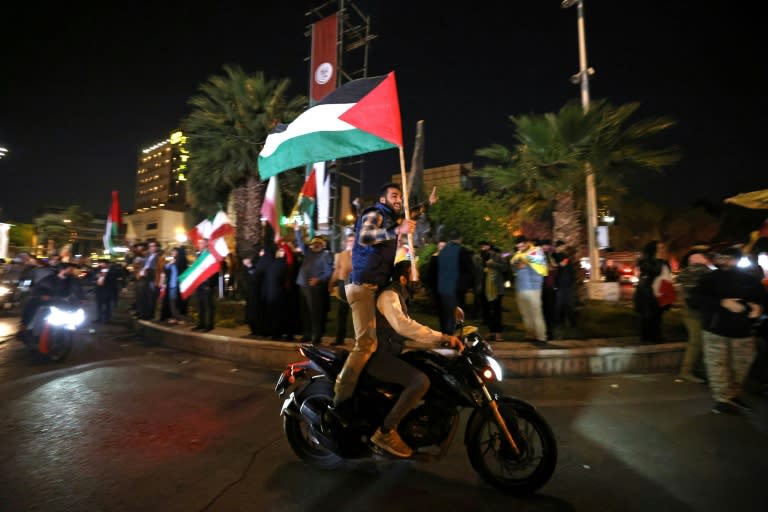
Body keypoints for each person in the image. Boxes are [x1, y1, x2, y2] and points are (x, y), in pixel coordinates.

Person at [367, 260, 462, 458]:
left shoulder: (400, 296)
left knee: (430, 368)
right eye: (414, 276)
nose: (417, 281)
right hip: (378, 356)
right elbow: (404, 326)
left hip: (390, 353)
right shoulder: (389, 295)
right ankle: (385, 432)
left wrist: (439, 340)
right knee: (420, 381)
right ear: (403, 279)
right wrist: (441, 337)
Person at [333, 182, 416, 405]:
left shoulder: (390, 217)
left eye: (401, 196)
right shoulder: (374, 213)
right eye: (395, 195)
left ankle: (373, 386)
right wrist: (399, 231)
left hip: (376, 284)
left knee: (385, 336)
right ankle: (340, 400)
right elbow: (366, 237)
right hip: (363, 286)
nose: (399, 200)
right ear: (383, 199)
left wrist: (428, 204)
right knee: (366, 343)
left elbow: (406, 215)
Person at [690, 246, 766, 414]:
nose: (724, 261)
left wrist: (758, 308)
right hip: (715, 330)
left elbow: (761, 299)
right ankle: (722, 400)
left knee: (741, 366)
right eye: (720, 257)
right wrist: (721, 303)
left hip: (743, 331)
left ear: (738, 260)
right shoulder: (708, 279)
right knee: (718, 366)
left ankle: (733, 395)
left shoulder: (751, 279)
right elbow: (695, 300)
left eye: (729, 258)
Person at [675, 248, 714, 383]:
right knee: (696, 341)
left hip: (689, 310)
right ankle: (686, 371)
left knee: (699, 340)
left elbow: (680, 291)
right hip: (696, 311)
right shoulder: (704, 271)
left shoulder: (683, 273)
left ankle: (698, 369)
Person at [294, 229, 333, 345]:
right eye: (314, 243)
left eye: (318, 243)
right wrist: (297, 231)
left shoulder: (325, 255)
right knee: (304, 311)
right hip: (303, 285)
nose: (315, 245)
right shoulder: (308, 253)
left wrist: (318, 279)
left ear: (322, 245)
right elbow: (300, 243)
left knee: (315, 312)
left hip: (314, 288)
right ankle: (307, 334)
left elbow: (328, 272)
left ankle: (317, 336)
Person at [435, 227, 474, 335]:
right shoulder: (462, 251)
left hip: (443, 287)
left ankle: (446, 335)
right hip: (456, 288)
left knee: (445, 313)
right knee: (457, 314)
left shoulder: (442, 252)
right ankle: (454, 336)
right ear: (460, 238)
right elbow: (468, 269)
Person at [510, 235, 548, 343]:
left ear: (527, 243)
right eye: (518, 247)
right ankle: (530, 334)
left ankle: (541, 337)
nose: (520, 249)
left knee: (536, 313)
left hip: (533, 288)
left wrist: (525, 262)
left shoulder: (535, 251)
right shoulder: (518, 254)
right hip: (521, 287)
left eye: (521, 246)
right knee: (525, 313)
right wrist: (517, 264)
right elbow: (513, 265)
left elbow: (541, 269)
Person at [634, 240, 672, 342]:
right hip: (648, 294)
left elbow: (667, 276)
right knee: (648, 318)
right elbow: (655, 271)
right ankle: (647, 339)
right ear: (652, 250)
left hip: (660, 293)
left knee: (658, 318)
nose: (662, 250)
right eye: (659, 248)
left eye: (663, 248)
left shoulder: (664, 261)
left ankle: (657, 337)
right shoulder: (645, 262)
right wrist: (660, 260)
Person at [328, 233, 355, 345]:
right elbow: (337, 270)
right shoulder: (342, 255)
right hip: (343, 284)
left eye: (353, 240)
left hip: (356, 285)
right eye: (349, 240)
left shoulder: (360, 255)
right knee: (341, 313)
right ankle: (339, 338)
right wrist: (331, 282)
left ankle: (359, 339)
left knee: (358, 315)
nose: (351, 242)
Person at [192, 238, 217, 332]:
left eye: (201, 243)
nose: (199, 245)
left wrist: (210, 285)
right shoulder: (198, 255)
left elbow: (214, 271)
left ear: (206, 244)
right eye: (198, 243)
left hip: (207, 284)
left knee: (208, 306)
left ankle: (209, 325)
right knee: (200, 305)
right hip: (199, 284)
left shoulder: (210, 255)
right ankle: (201, 323)